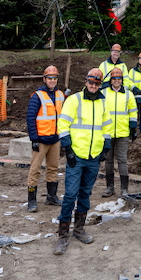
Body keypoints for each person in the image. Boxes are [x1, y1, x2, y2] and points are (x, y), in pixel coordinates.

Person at [54, 68, 111, 255]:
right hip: (76, 156)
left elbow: (107, 125)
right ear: (86, 82)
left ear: (100, 85)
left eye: (96, 83)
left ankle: (79, 229)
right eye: (91, 82)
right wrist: (68, 148)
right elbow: (63, 124)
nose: (93, 86)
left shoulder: (103, 102)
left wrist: (106, 146)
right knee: (70, 195)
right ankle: (63, 235)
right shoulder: (74, 100)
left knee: (85, 194)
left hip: (93, 157)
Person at [26, 65, 64, 212]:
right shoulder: (37, 96)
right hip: (41, 140)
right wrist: (34, 139)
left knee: (53, 168)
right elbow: (30, 118)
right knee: (35, 170)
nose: (52, 81)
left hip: (55, 139)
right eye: (50, 78)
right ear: (44, 79)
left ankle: (51, 196)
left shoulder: (60, 95)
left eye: (54, 78)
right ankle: (32, 201)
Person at [101, 66, 138, 198]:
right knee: (108, 160)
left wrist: (133, 127)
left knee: (122, 159)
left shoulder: (128, 94)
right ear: (111, 80)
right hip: (108, 132)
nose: (117, 80)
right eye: (114, 78)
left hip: (123, 131)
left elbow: (133, 111)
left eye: (119, 78)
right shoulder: (104, 93)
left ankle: (124, 189)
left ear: (122, 80)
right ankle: (110, 187)